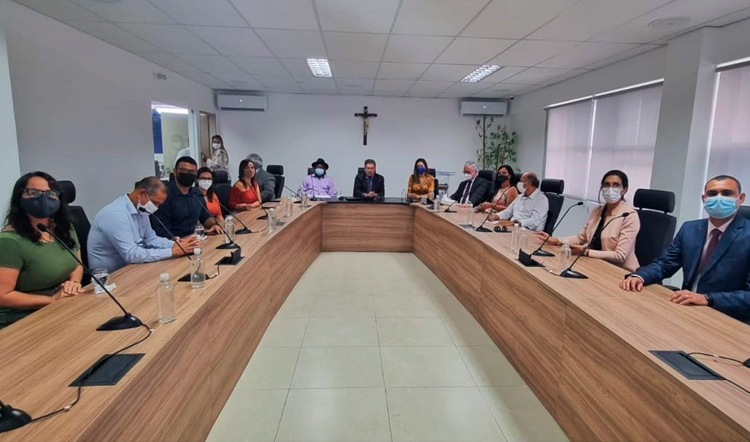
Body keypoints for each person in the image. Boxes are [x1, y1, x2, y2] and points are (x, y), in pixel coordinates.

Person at [620, 175, 750, 324]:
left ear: (741, 198)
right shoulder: (690, 229)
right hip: (686, 309)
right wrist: (639, 276)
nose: (719, 198)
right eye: (712, 194)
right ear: (704, 199)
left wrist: (708, 298)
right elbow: (664, 264)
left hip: (728, 319)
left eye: (726, 193)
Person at [0, 172, 84, 329]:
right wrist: (51, 300)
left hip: (61, 308)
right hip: (21, 320)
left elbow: (77, 264)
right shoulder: (9, 241)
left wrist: (73, 283)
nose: (44, 198)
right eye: (34, 193)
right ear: (19, 197)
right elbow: (3, 295)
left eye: (50, 194)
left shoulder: (64, 228)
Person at [88, 178, 199, 273]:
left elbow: (150, 239)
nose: (157, 208)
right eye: (155, 203)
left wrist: (176, 245)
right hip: (110, 277)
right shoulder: (115, 214)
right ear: (141, 194)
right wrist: (172, 251)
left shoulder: (141, 209)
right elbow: (131, 254)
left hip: (133, 268)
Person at [537, 170, 641, 271]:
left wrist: (586, 252)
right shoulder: (597, 210)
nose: (610, 188)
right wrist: (556, 240)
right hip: (596, 264)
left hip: (620, 270)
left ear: (624, 190)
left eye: (615, 185)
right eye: (606, 185)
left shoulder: (629, 215)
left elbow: (620, 255)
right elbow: (580, 238)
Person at [152, 156, 223, 239]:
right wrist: (178, 242)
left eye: (192, 171)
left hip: (194, 239)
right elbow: (162, 230)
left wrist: (214, 224)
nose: (188, 174)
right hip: (174, 242)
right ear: (175, 172)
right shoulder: (164, 196)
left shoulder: (197, 194)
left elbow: (205, 216)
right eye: (183, 170)